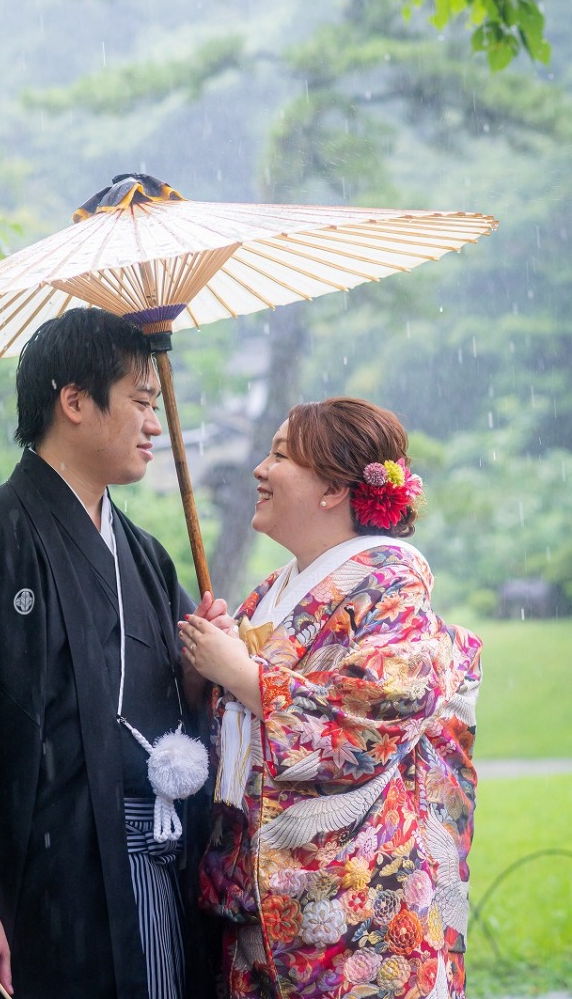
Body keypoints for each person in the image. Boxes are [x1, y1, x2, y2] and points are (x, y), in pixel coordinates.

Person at [0, 308, 229, 999]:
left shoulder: (147, 555)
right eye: (140, 400)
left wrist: (193, 673)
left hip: (152, 864)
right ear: (73, 401)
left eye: (156, 404)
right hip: (41, 873)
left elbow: (167, 702)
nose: (154, 423)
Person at [180, 398, 481, 999]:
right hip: (259, 911)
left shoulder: (394, 584)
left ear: (333, 490)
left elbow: (371, 719)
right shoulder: (273, 592)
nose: (260, 470)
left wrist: (243, 674)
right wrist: (203, 671)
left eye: (281, 455)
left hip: (355, 913)